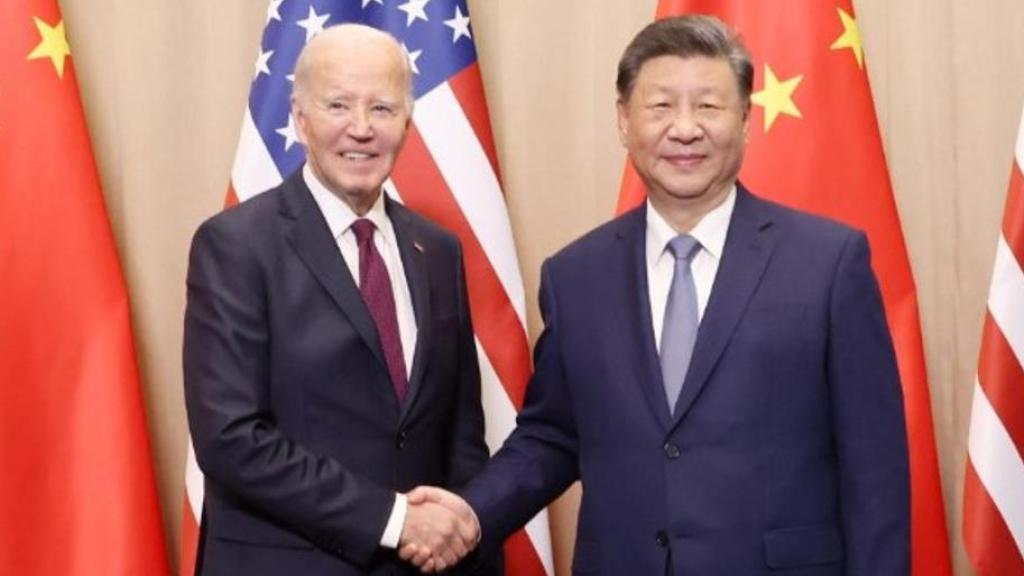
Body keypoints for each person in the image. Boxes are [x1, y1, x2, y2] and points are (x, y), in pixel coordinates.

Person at [407, 14, 909, 575]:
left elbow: (876, 470)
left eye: (709, 107)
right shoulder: (576, 276)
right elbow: (552, 435)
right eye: (661, 106)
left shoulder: (828, 263)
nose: (685, 129)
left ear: (745, 119)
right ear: (624, 120)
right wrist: (472, 513)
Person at [184, 24, 494, 575]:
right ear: (300, 119)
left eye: (381, 107)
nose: (361, 128)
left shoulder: (438, 249)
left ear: (408, 119)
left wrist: (463, 542)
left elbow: (461, 432)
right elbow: (231, 439)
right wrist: (396, 519)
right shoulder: (234, 245)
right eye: (337, 105)